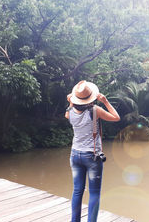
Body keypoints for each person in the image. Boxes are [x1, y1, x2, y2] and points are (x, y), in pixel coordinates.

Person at [65, 80, 120, 222]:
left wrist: (71, 102)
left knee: (77, 191)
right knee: (94, 193)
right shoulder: (95, 110)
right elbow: (116, 117)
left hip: (75, 155)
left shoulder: (69, 112)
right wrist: (106, 101)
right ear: (91, 97)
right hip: (92, 156)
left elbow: (68, 111)